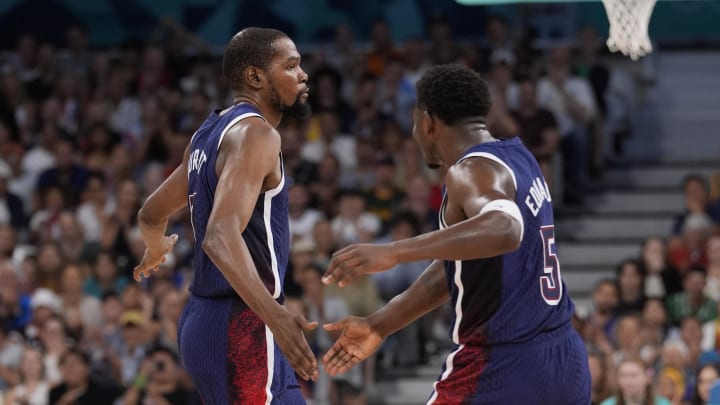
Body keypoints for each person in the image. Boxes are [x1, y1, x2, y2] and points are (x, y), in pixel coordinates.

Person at [321, 64, 590, 404]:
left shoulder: (469, 170)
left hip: (502, 364)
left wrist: (395, 251)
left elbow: (505, 228)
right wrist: (380, 324)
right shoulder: (521, 157)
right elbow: (458, 267)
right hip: (564, 360)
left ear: (427, 122)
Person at [132, 27, 317, 404]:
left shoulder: (207, 133)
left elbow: (151, 213)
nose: (303, 74)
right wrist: (276, 318)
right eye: (292, 65)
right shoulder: (257, 135)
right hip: (241, 323)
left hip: (204, 320)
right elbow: (218, 236)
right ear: (255, 77)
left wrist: (155, 250)